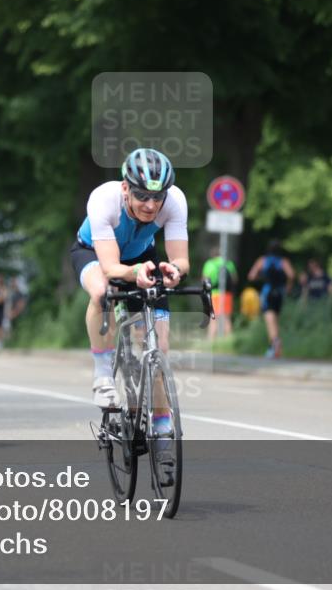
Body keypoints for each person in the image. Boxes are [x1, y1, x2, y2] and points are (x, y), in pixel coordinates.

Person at [70, 148, 188, 439]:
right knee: (101, 293)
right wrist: (135, 273)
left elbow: (182, 259)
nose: (151, 205)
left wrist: (173, 271)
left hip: (141, 257)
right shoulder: (103, 200)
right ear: (125, 188)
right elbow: (110, 268)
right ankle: (102, 375)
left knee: (159, 345)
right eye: (142, 196)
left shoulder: (175, 202)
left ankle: (162, 422)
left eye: (157, 198)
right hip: (95, 254)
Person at [247, 240, 295, 358]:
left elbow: (251, 276)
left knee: (270, 322)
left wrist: (261, 277)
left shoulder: (262, 260)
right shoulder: (283, 261)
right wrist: (288, 287)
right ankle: (277, 349)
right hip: (279, 293)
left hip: (267, 292)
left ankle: (274, 348)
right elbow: (292, 275)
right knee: (276, 321)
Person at [201, 246, 238, 339]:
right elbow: (235, 279)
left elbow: (204, 280)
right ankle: (228, 342)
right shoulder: (228, 263)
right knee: (226, 318)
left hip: (214, 293)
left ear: (213, 255)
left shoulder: (209, 264)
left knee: (213, 319)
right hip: (227, 294)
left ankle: (210, 342)